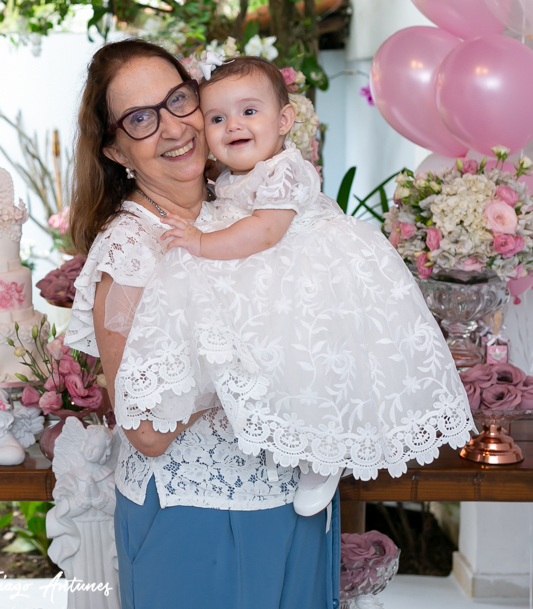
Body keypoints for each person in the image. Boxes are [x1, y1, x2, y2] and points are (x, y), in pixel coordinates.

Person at [67, 39, 339, 609]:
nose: (172, 126)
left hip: (287, 500)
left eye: (178, 100)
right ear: (115, 149)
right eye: (140, 118)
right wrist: (252, 374)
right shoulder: (131, 254)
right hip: (199, 519)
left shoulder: (239, 211)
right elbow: (143, 428)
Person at [112, 56, 472, 516]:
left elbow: (265, 233)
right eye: (217, 118)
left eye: (248, 112)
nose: (233, 125)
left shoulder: (284, 169)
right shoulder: (227, 178)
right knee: (281, 359)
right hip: (271, 269)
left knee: (314, 358)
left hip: (311, 271)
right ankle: (302, 435)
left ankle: (324, 457)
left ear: (284, 120)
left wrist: (201, 241)